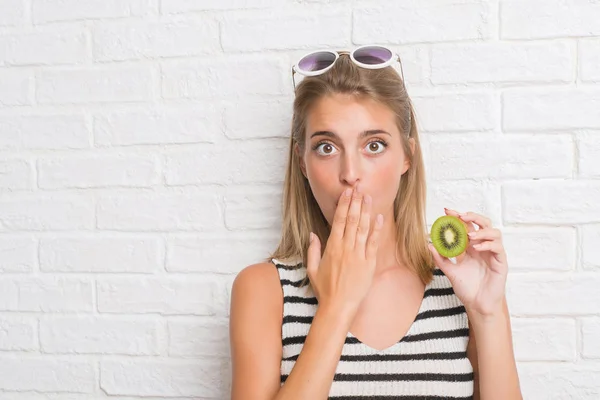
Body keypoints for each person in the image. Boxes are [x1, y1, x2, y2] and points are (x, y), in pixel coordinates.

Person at [228, 44, 523, 399]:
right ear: (303, 164)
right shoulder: (265, 290)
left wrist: (487, 314)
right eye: (326, 147)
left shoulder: (461, 286)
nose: (350, 174)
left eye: (374, 145)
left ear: (407, 158)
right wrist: (336, 308)